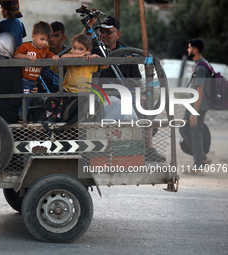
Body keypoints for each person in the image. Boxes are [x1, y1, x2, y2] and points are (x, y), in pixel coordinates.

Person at [87, 15, 166, 162]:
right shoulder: (93, 48)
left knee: (143, 103)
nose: (103, 35)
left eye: (108, 32)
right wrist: (87, 28)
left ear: (118, 34)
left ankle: (148, 148)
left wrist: (139, 95)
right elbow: (78, 44)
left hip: (123, 95)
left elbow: (136, 81)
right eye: (101, 32)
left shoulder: (126, 53)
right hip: (100, 94)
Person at [44, 33, 108, 122]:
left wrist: (96, 57)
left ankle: (54, 117)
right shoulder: (71, 61)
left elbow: (105, 65)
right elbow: (63, 56)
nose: (76, 51)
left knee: (63, 103)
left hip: (81, 93)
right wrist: (79, 56)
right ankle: (48, 116)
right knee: (54, 99)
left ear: (87, 51)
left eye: (80, 49)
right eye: (74, 48)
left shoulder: (89, 64)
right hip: (67, 90)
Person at [14, 21, 59, 122]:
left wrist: (54, 56)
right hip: (24, 79)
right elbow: (16, 55)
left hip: (34, 80)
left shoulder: (44, 50)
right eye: (42, 39)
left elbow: (50, 54)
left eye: (46, 40)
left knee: (30, 99)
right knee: (25, 99)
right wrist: (27, 57)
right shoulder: (26, 46)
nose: (44, 43)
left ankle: (25, 117)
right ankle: (21, 118)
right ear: (33, 36)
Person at [179, 38, 212, 172]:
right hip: (194, 105)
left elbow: (200, 90)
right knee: (184, 129)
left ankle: (199, 165)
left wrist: (194, 112)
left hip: (197, 106)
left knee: (195, 134)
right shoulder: (200, 64)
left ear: (195, 50)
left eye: (189, 48)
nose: (188, 50)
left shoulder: (201, 68)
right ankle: (202, 158)